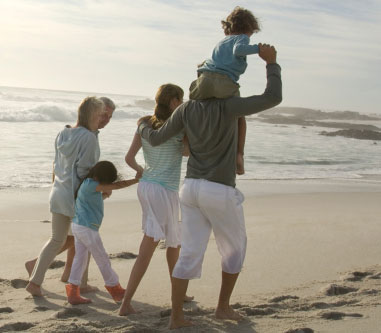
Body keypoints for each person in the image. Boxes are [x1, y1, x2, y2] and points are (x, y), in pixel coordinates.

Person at [139, 44, 281, 329]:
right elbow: (273, 97)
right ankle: (223, 308)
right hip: (219, 190)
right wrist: (271, 63)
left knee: (189, 253)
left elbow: (154, 138)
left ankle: (177, 317)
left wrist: (142, 127)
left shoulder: (188, 108)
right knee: (234, 250)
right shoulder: (230, 106)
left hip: (190, 189)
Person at [118, 84, 192, 316]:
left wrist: (142, 170)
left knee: (173, 243)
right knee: (148, 247)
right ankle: (126, 303)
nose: (182, 103)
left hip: (147, 186)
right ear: (173, 102)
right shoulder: (177, 126)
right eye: (181, 100)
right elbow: (187, 153)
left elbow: (129, 158)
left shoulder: (144, 123)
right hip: (163, 190)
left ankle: (179, 293)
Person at [25, 97, 116, 285]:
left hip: (58, 193)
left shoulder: (62, 133)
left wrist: (56, 186)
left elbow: (56, 165)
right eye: (101, 114)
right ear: (93, 114)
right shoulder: (89, 138)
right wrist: (100, 190)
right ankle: (81, 284)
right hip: (76, 197)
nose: (104, 118)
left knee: (56, 240)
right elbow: (85, 172)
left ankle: (35, 282)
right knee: (84, 239)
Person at [189, 6, 262, 175]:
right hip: (225, 83)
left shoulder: (222, 41)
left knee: (199, 110)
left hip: (204, 80)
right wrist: (259, 48)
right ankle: (238, 154)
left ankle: (193, 144)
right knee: (239, 118)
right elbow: (240, 50)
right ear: (249, 28)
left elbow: (210, 62)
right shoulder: (242, 38)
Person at [66, 161, 137, 305]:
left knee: (80, 259)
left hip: (78, 226)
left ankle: (73, 291)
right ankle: (115, 288)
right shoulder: (92, 185)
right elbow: (118, 185)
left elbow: (92, 201)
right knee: (102, 258)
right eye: (107, 181)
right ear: (101, 177)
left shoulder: (87, 184)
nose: (108, 184)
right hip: (87, 228)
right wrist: (137, 179)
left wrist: (104, 195)